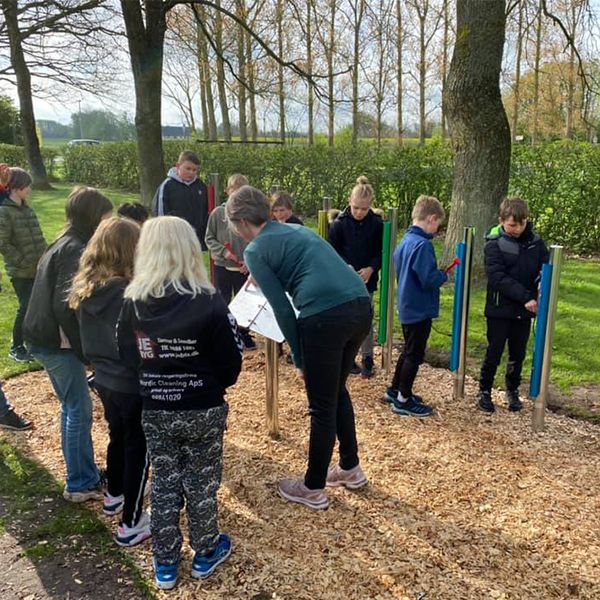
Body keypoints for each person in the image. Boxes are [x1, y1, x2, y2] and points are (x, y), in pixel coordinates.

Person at [226, 186, 371, 511]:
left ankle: (313, 486)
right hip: (360, 305)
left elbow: (280, 307)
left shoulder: (255, 250)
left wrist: (300, 357)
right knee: (336, 391)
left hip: (324, 317)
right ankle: (350, 467)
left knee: (321, 406)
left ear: (239, 222)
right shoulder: (295, 229)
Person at [117, 216, 243, 590]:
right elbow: (230, 364)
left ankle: (166, 564)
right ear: (190, 250)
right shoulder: (209, 301)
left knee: (165, 482)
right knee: (202, 482)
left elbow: (125, 355)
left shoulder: (133, 302)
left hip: (157, 405)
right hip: (202, 405)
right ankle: (205, 552)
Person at [24, 186, 113, 503]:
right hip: (55, 341)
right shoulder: (75, 248)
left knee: (71, 406)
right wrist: (84, 350)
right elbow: (66, 305)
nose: (108, 222)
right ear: (93, 217)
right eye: (105, 216)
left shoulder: (63, 242)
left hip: (42, 336)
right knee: (79, 409)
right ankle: (79, 482)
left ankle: (83, 472)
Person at [69, 217, 150, 547]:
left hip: (104, 378)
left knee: (118, 436)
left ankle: (113, 494)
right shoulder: (130, 294)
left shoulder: (86, 289)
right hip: (131, 381)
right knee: (139, 449)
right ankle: (132, 522)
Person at [477, 197, 549, 413]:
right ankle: (484, 390)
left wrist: (539, 286)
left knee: (518, 353)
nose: (517, 229)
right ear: (501, 221)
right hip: (500, 308)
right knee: (494, 350)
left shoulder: (536, 243)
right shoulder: (494, 243)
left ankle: (512, 390)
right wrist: (525, 296)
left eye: (521, 224)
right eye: (511, 225)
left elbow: (544, 268)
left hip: (524, 310)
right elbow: (497, 277)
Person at [384, 195, 448, 418]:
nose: (436, 230)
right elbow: (428, 279)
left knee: (407, 351)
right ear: (431, 219)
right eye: (437, 224)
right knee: (414, 354)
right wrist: (442, 275)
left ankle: (395, 389)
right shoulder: (423, 245)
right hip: (419, 308)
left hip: (407, 305)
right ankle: (403, 399)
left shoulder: (406, 240)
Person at [328, 176, 383, 378]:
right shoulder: (339, 224)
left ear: (370, 206)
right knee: (346, 317)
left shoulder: (377, 224)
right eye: (355, 208)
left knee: (365, 318)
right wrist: (347, 267)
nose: (359, 212)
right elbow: (332, 251)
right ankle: (347, 357)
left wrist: (371, 268)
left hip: (367, 279)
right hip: (344, 279)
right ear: (350, 203)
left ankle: (367, 357)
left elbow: (381, 251)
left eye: (364, 209)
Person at [0, 167, 47, 362]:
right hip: (20, 271)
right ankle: (16, 347)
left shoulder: (27, 209)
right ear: (16, 187)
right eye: (27, 185)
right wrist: (22, 260)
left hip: (37, 268)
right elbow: (2, 242)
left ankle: (34, 343)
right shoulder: (4, 212)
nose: (30, 189)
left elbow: (38, 236)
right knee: (26, 306)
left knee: (37, 307)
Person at [205, 173, 256, 350]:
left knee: (246, 303)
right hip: (223, 267)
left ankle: (243, 334)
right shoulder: (218, 214)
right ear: (227, 191)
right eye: (234, 191)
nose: (237, 196)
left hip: (243, 270)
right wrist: (224, 252)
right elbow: (209, 238)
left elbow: (257, 240)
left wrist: (249, 263)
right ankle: (224, 334)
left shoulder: (251, 215)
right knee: (222, 301)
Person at [152, 150, 208, 248]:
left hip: (196, 238)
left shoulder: (201, 186)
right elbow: (160, 212)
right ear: (178, 166)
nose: (191, 172)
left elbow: (205, 211)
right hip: (174, 237)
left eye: (195, 170)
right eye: (188, 168)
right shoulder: (167, 186)